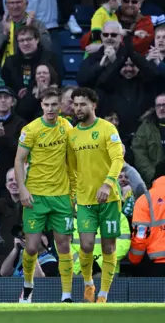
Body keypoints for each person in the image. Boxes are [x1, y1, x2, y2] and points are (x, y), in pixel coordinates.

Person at [14, 88, 76, 303]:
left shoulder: (67, 127)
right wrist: (22, 189)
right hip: (36, 196)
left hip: (61, 196)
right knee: (31, 247)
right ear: (41, 105)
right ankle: (28, 288)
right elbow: (19, 160)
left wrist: (74, 193)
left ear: (60, 105)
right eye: (46, 104)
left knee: (64, 245)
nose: (50, 109)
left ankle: (66, 294)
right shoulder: (30, 129)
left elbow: (74, 159)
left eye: (54, 104)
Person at [67, 87, 124, 303]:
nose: (78, 108)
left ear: (93, 105)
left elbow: (118, 159)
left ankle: (103, 294)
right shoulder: (72, 135)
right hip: (84, 200)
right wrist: (73, 194)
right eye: (75, 104)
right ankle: (89, 283)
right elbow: (72, 169)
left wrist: (108, 184)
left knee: (109, 246)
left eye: (83, 104)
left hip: (109, 199)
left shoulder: (107, 129)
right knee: (86, 245)